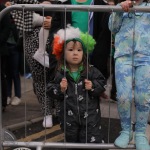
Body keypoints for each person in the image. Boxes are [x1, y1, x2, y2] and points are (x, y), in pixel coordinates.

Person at [47, 26, 106, 143]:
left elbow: (102, 82)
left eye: (79, 50)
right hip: (69, 120)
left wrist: (93, 86)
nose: (75, 53)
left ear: (84, 53)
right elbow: (50, 88)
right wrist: (60, 89)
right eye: (70, 50)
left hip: (91, 119)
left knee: (91, 144)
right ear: (62, 53)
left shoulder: (91, 71)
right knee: (72, 143)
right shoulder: (60, 73)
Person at [108, 0, 150, 149]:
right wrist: (120, 10)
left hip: (146, 57)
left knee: (143, 97)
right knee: (123, 96)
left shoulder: (148, 7)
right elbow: (112, 28)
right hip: (123, 56)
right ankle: (126, 131)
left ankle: (140, 133)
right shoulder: (121, 7)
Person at [5, 6, 21, 106]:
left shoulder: (17, 18)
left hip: (15, 47)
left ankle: (18, 95)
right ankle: (8, 95)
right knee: (7, 73)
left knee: (15, 72)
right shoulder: (5, 16)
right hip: (6, 47)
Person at [0, 3, 11, 111]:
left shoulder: (2, 9)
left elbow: (7, 28)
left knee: (1, 76)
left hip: (1, 49)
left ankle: (2, 103)